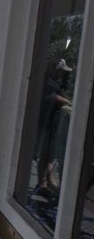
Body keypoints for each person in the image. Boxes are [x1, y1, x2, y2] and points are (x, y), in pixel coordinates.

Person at [34, 57, 73, 198]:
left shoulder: (54, 82)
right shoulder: (46, 82)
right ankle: (42, 183)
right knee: (44, 153)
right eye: (61, 71)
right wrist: (69, 102)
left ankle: (48, 181)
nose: (63, 74)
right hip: (44, 122)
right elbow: (52, 97)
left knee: (49, 154)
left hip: (51, 123)